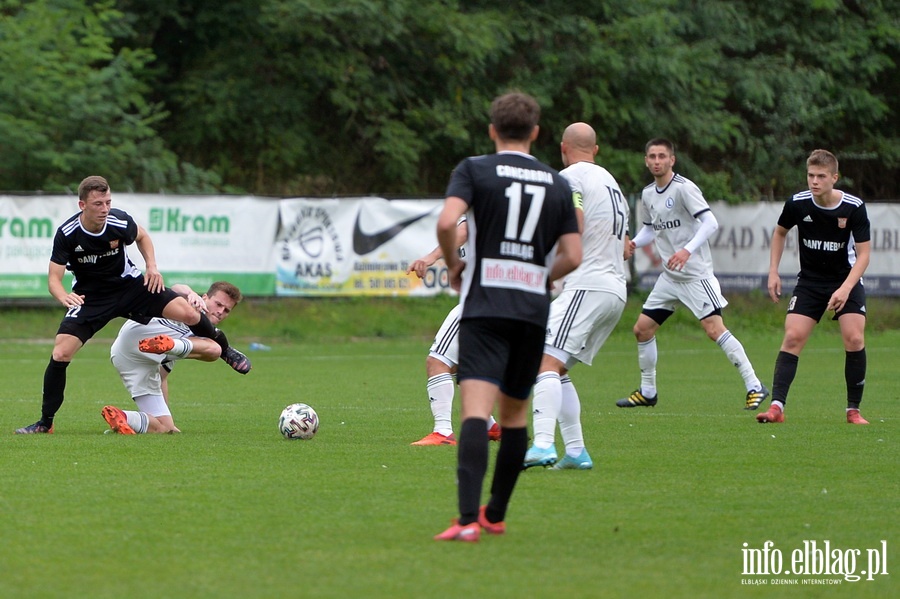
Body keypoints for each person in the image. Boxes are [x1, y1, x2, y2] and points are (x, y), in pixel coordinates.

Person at [432, 92, 582, 542]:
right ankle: (495, 514)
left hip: (485, 306)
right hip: (531, 310)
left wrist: (453, 265)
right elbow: (574, 254)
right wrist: (541, 277)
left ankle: (465, 523)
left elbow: (446, 224)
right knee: (515, 417)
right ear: (536, 133)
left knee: (476, 412)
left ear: (492, 130)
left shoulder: (474, 169)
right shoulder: (557, 183)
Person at [14, 176, 248, 434]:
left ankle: (225, 350)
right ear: (82, 205)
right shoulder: (68, 234)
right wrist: (62, 296)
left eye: (108, 202)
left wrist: (152, 267)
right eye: (98, 204)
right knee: (61, 353)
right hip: (91, 297)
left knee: (188, 312)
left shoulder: (118, 221)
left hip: (130, 287)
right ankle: (45, 423)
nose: (104, 209)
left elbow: (143, 237)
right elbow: (53, 278)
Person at [617, 139, 768, 410]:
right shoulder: (649, 193)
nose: (656, 161)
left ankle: (755, 385)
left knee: (713, 330)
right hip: (669, 278)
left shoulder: (685, 189)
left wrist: (686, 250)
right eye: (651, 156)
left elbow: (710, 223)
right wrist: (634, 244)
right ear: (646, 160)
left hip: (695, 275)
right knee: (642, 329)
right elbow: (651, 229)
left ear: (672, 160)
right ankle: (648, 392)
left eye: (662, 156)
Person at [524, 122, 632, 470]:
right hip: (614, 289)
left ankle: (541, 444)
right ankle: (575, 451)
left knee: (541, 359)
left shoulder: (570, 176)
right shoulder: (610, 182)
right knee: (558, 367)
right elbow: (627, 247)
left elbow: (577, 223)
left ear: (562, 148)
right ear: (595, 149)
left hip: (590, 284)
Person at [757, 149, 871, 425]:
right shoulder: (797, 203)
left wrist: (845, 289)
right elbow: (780, 232)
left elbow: (864, 254)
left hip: (846, 280)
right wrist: (773, 271)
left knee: (854, 338)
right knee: (793, 337)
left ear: (835, 177)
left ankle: (853, 410)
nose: (814, 181)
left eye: (821, 176)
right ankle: (776, 408)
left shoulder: (853, 207)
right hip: (810, 282)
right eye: (811, 175)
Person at [101, 281, 247, 434]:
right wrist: (190, 293)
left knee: (165, 428)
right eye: (218, 304)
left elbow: (162, 376)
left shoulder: (198, 337)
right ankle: (170, 344)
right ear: (205, 297)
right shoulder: (191, 304)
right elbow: (177, 288)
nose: (220, 311)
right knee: (215, 349)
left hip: (130, 359)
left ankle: (124, 417)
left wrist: (165, 414)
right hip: (140, 332)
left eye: (226, 310)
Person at [406, 221, 500, 446]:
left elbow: (464, 230)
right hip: (511, 300)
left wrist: (431, 257)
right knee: (467, 367)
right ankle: (490, 426)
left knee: (438, 361)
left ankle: (443, 431)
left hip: (483, 299)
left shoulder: (480, 197)